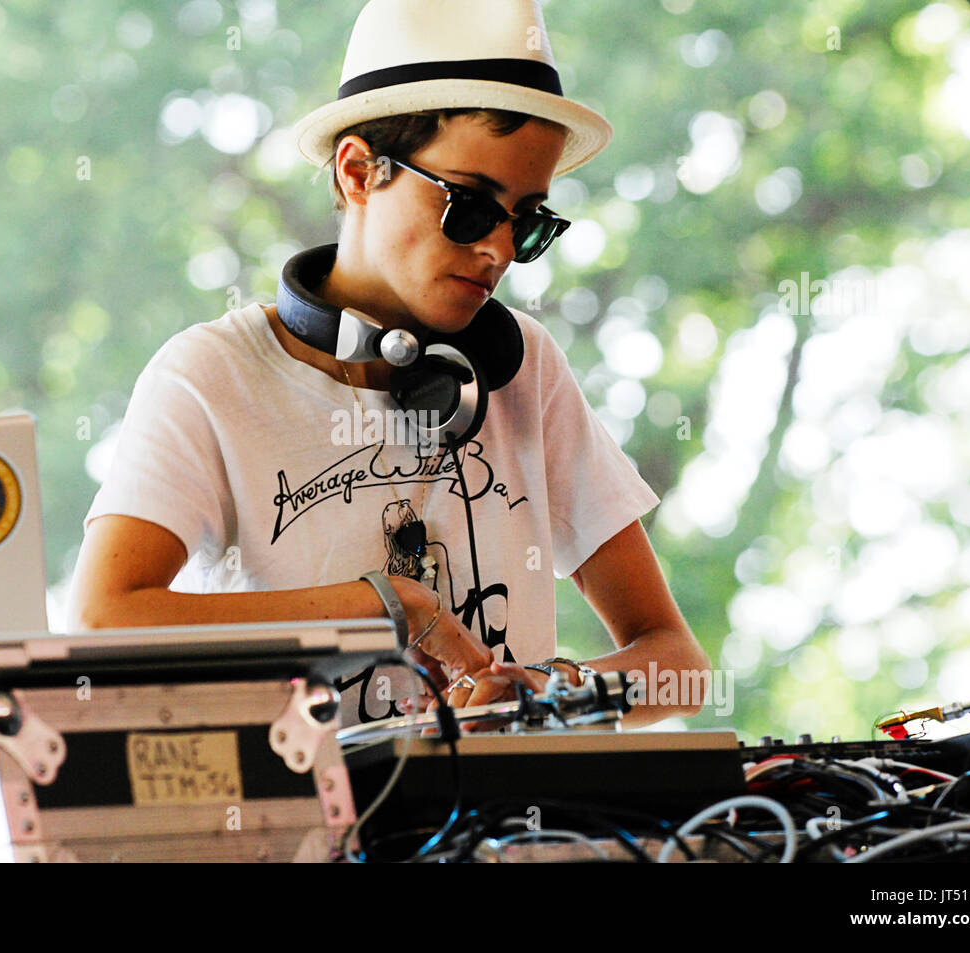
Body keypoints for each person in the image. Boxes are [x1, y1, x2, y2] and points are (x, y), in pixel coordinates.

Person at [67, 0, 709, 728]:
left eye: (527, 222)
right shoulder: (210, 376)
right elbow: (99, 624)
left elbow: (677, 666)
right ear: (357, 171)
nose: (498, 249)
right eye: (469, 207)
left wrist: (544, 693)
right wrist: (382, 606)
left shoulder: (524, 370)